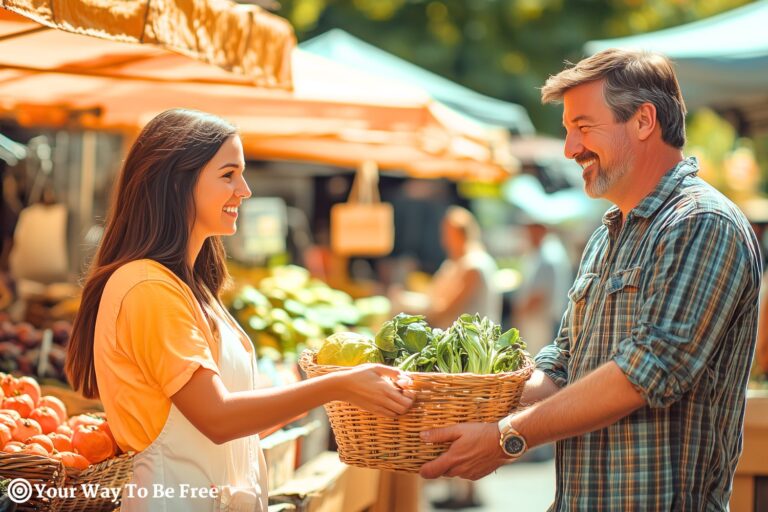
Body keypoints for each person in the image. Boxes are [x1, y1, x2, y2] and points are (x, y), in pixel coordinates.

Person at [418, 49, 762, 511]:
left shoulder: (701, 221)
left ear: (644, 121)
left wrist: (505, 438)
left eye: (583, 127)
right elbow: (563, 363)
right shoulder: (607, 233)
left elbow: (645, 374)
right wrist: (457, 395)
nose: (569, 148)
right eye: (567, 131)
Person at [65, 109, 414, 512]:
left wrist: (322, 378)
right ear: (178, 182)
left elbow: (240, 426)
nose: (244, 190)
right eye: (229, 174)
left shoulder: (190, 286)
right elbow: (218, 419)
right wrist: (335, 386)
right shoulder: (148, 288)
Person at [392, 206, 501, 331]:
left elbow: (446, 309)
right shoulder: (453, 264)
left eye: (447, 234)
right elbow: (433, 298)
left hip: (468, 346)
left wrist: (408, 307)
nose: (443, 240)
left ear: (459, 235)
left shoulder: (474, 265)